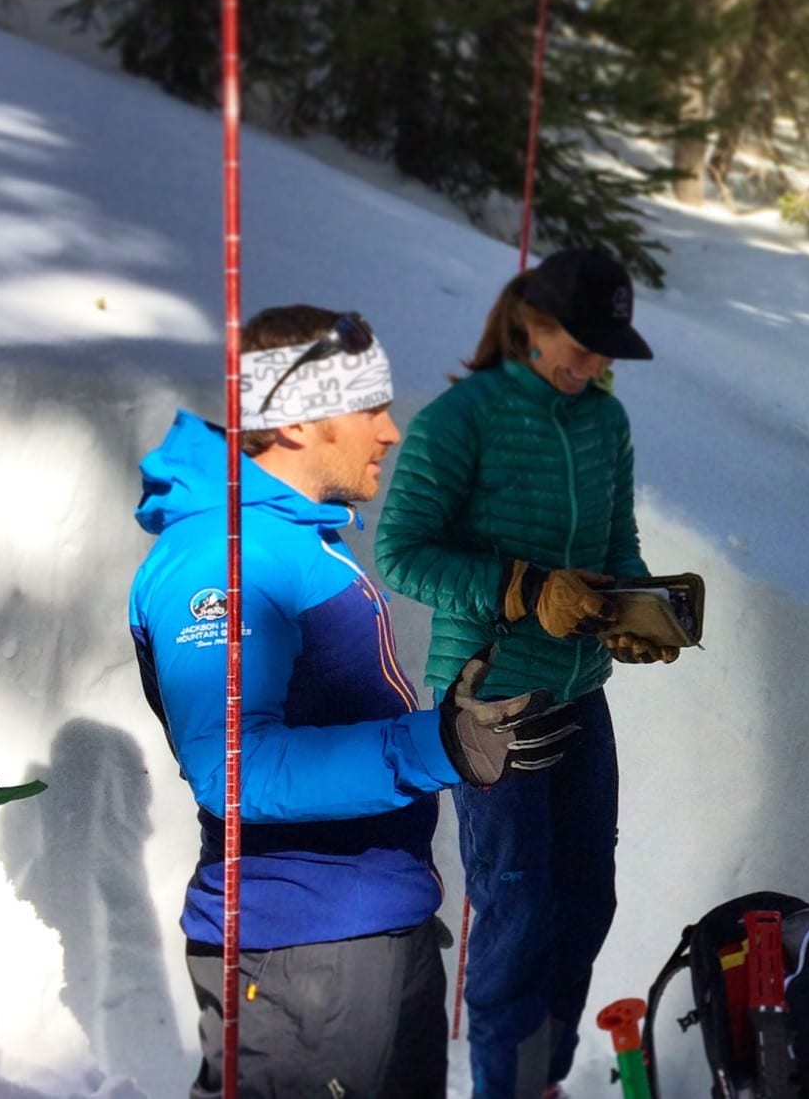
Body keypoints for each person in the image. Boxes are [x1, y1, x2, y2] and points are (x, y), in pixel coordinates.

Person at [129, 305, 578, 1098]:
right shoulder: (223, 557)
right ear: (298, 425)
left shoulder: (298, 541)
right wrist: (434, 747)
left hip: (368, 934)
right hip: (299, 952)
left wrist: (454, 731)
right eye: (368, 408)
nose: (390, 432)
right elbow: (236, 771)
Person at [375, 248, 675, 1099]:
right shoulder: (460, 420)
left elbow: (616, 548)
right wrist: (519, 589)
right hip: (491, 698)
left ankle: (539, 1080)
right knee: (515, 913)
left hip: (580, 694)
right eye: (579, 346)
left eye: (605, 349)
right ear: (531, 327)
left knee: (586, 903)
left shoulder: (604, 424)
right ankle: (502, 1087)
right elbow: (402, 553)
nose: (593, 365)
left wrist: (634, 616)